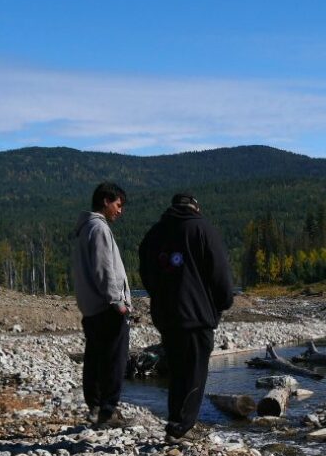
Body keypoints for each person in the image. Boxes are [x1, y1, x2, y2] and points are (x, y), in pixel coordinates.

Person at [139, 193, 234, 442]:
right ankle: (181, 427)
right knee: (194, 371)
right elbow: (220, 270)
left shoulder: (154, 233)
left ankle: (175, 421)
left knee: (177, 369)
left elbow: (145, 273)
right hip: (197, 314)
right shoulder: (202, 228)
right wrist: (224, 302)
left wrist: (159, 296)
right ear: (195, 207)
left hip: (166, 314)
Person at [71, 181, 131, 428]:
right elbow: (105, 270)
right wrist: (118, 302)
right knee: (114, 360)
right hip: (107, 307)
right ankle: (107, 411)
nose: (120, 211)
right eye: (118, 205)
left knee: (95, 358)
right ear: (106, 201)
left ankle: (95, 408)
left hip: (90, 307)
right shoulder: (99, 229)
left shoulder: (83, 228)